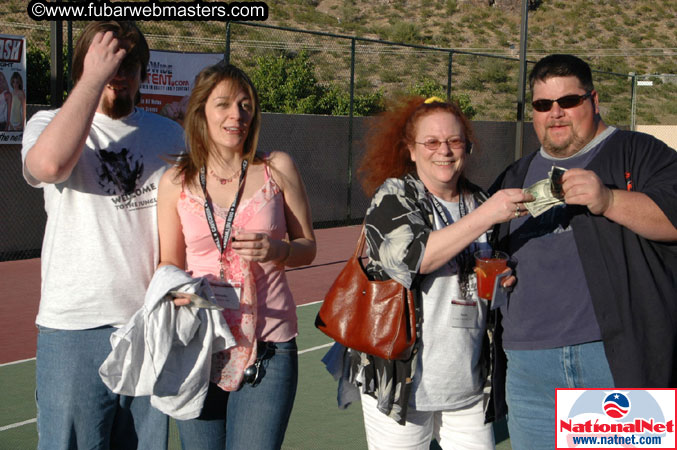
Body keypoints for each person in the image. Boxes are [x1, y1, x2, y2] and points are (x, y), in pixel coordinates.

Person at [490, 54, 677, 449]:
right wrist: (493, 270)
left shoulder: (640, 152)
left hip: (613, 360)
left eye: (568, 102)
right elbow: (486, 251)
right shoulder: (516, 174)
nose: (555, 113)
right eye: (543, 105)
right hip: (528, 365)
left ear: (593, 100)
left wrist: (609, 200)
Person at [331, 96, 533, 450]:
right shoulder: (393, 196)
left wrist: (503, 281)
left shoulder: (479, 199)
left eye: (455, 141)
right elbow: (413, 260)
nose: (445, 151)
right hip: (401, 385)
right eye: (432, 142)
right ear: (410, 150)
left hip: (468, 384)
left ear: (467, 147)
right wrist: (486, 215)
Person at [21, 21, 185, 450]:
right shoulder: (47, 122)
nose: (120, 71)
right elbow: (50, 166)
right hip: (74, 329)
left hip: (148, 326)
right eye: (107, 59)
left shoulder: (169, 135)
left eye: (130, 62)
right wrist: (93, 79)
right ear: (83, 66)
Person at [156, 61, 316, 449]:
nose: (236, 115)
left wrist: (276, 250)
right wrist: (178, 292)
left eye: (245, 105)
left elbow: (307, 247)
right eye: (223, 104)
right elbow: (168, 265)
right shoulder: (176, 181)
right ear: (201, 113)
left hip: (269, 346)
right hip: (201, 345)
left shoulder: (277, 167)